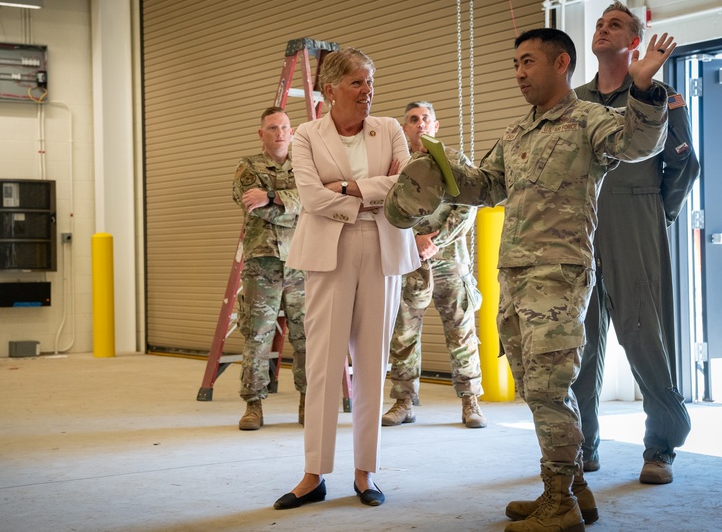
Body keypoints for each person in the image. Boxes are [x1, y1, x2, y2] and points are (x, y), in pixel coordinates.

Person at [385, 27, 676, 532]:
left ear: (561, 63)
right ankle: (576, 490)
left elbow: (639, 144)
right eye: (515, 64)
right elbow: (487, 186)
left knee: (548, 388)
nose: (518, 73)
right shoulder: (519, 133)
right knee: (534, 385)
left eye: (528, 62)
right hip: (515, 275)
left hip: (559, 275)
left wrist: (644, 88)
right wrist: (442, 170)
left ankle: (557, 502)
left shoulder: (591, 120)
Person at [273, 47, 420, 510]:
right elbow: (312, 199)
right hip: (328, 252)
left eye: (370, 82)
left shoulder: (392, 129)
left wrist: (346, 187)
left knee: (373, 363)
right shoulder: (305, 136)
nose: (367, 91)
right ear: (330, 90)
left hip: (383, 247)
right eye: (357, 82)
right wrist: (371, 191)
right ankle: (313, 474)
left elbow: (407, 185)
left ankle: (365, 472)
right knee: (323, 363)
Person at [572, 0, 698, 484]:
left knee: (643, 334)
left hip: (635, 213)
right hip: (581, 224)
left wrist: (654, 210)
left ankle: (662, 445)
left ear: (634, 43)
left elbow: (683, 163)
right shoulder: (575, 100)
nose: (604, 29)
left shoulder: (657, 94)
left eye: (616, 25)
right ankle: (583, 445)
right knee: (578, 340)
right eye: (601, 23)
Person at [382, 101, 486, 429]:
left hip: (450, 261)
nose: (420, 124)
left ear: (435, 126)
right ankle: (403, 401)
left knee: (461, 332)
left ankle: (471, 402)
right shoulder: (397, 167)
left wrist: (434, 242)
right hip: (409, 262)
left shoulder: (454, 161)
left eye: (425, 119)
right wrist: (411, 242)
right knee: (404, 334)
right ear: (406, 128)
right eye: (413, 120)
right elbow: (388, 211)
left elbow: (469, 206)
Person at [231, 106, 307, 431]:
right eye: (272, 128)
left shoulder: (306, 166)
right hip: (261, 263)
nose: (279, 133)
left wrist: (272, 196)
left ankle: (309, 402)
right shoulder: (248, 166)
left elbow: (313, 201)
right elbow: (250, 204)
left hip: (303, 262)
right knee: (258, 334)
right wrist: (290, 206)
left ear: (292, 132)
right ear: (261, 134)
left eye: (284, 127)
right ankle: (253, 405)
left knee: (308, 335)